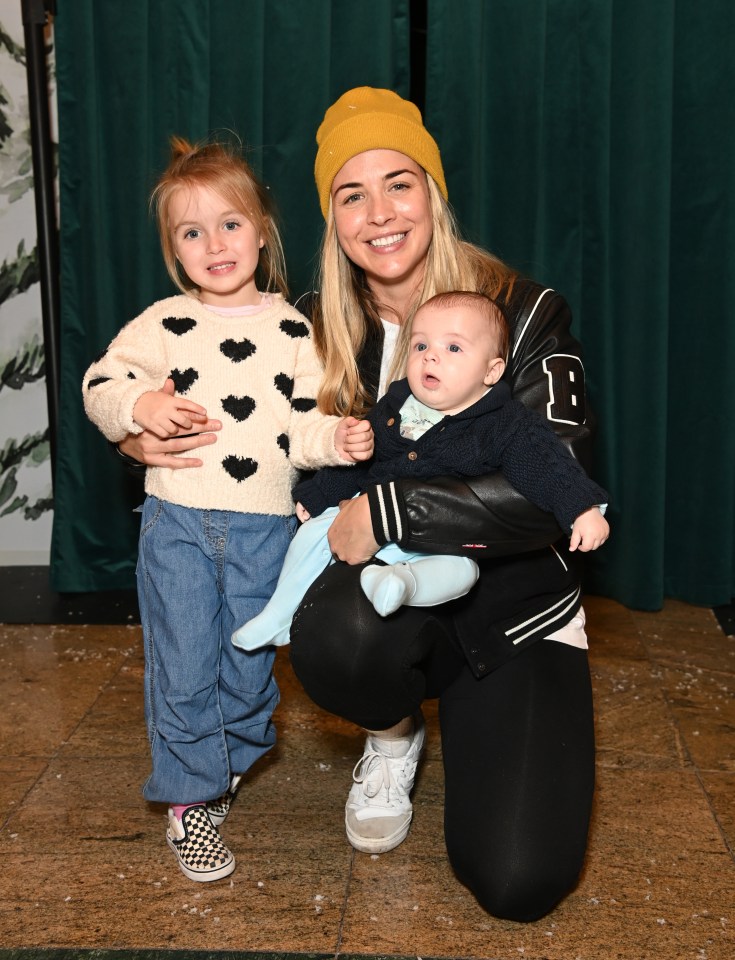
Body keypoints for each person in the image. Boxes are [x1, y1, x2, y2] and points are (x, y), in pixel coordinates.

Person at [118, 87, 604, 923]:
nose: (378, 213)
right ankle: (391, 734)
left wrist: (388, 514)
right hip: (382, 609)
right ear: (330, 217)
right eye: (351, 193)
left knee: (518, 883)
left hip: (512, 613)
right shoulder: (301, 329)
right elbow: (248, 452)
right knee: (334, 634)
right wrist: (139, 436)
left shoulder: (523, 315)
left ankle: (474, 714)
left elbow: (547, 487)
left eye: (399, 183)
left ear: (433, 194)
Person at [82, 136, 372, 883]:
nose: (214, 243)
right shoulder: (163, 321)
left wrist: (336, 437)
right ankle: (191, 799)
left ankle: (229, 759)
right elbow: (100, 382)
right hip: (177, 523)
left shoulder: (293, 330)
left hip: (266, 528)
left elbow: (300, 429)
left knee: (247, 671)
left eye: (230, 223)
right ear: (174, 252)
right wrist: (138, 404)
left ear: (263, 230)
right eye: (191, 231)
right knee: (181, 668)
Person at [233, 290, 608, 651]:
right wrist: (319, 495)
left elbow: (547, 467)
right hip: (368, 530)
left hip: (438, 542)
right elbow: (361, 460)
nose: (431, 357)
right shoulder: (397, 407)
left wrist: (581, 508)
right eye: (420, 345)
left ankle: (399, 585)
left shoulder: (505, 424)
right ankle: (279, 614)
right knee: (310, 536)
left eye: (454, 348)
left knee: (460, 574)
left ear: (492, 371)